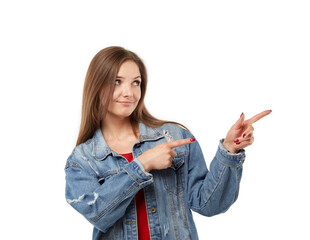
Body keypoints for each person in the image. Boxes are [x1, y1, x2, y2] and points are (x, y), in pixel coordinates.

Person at [65, 46, 271, 240]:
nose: (129, 92)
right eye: (117, 81)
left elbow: (208, 204)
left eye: (135, 82)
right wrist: (142, 164)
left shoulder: (172, 136)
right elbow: (98, 214)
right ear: (96, 85)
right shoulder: (82, 160)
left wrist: (229, 149)